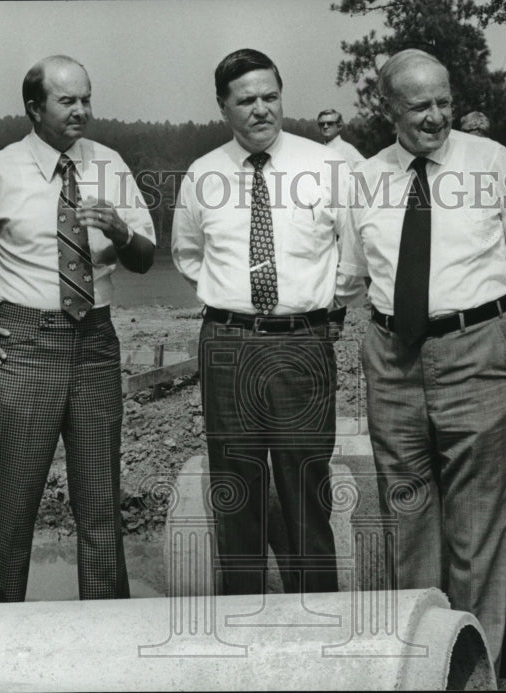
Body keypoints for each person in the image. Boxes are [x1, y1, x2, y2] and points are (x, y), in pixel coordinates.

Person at [336, 48, 506, 670]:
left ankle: (474, 674)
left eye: (444, 101)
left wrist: (476, 317)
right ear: (389, 109)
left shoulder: (492, 161)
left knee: (477, 530)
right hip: (393, 358)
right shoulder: (365, 178)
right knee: (408, 518)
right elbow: (357, 275)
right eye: (419, 105)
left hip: (478, 352)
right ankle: (420, 669)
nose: (436, 117)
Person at [0, 55, 156, 602]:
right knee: (12, 507)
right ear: (34, 107)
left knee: (100, 508)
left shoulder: (110, 164)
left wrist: (119, 229)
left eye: (87, 99)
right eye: (68, 101)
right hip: (23, 347)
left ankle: (106, 635)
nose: (82, 111)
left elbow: (144, 257)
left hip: (96, 341)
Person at [172, 49, 353, 596]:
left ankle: (320, 628)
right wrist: (237, 302)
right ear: (223, 106)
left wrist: (318, 306)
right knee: (236, 495)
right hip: (227, 344)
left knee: (306, 495)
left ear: (282, 96)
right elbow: (188, 255)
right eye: (245, 100)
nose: (260, 110)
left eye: (269, 97)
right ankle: (244, 634)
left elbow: (355, 256)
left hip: (302, 344)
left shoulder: (327, 167)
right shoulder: (203, 174)